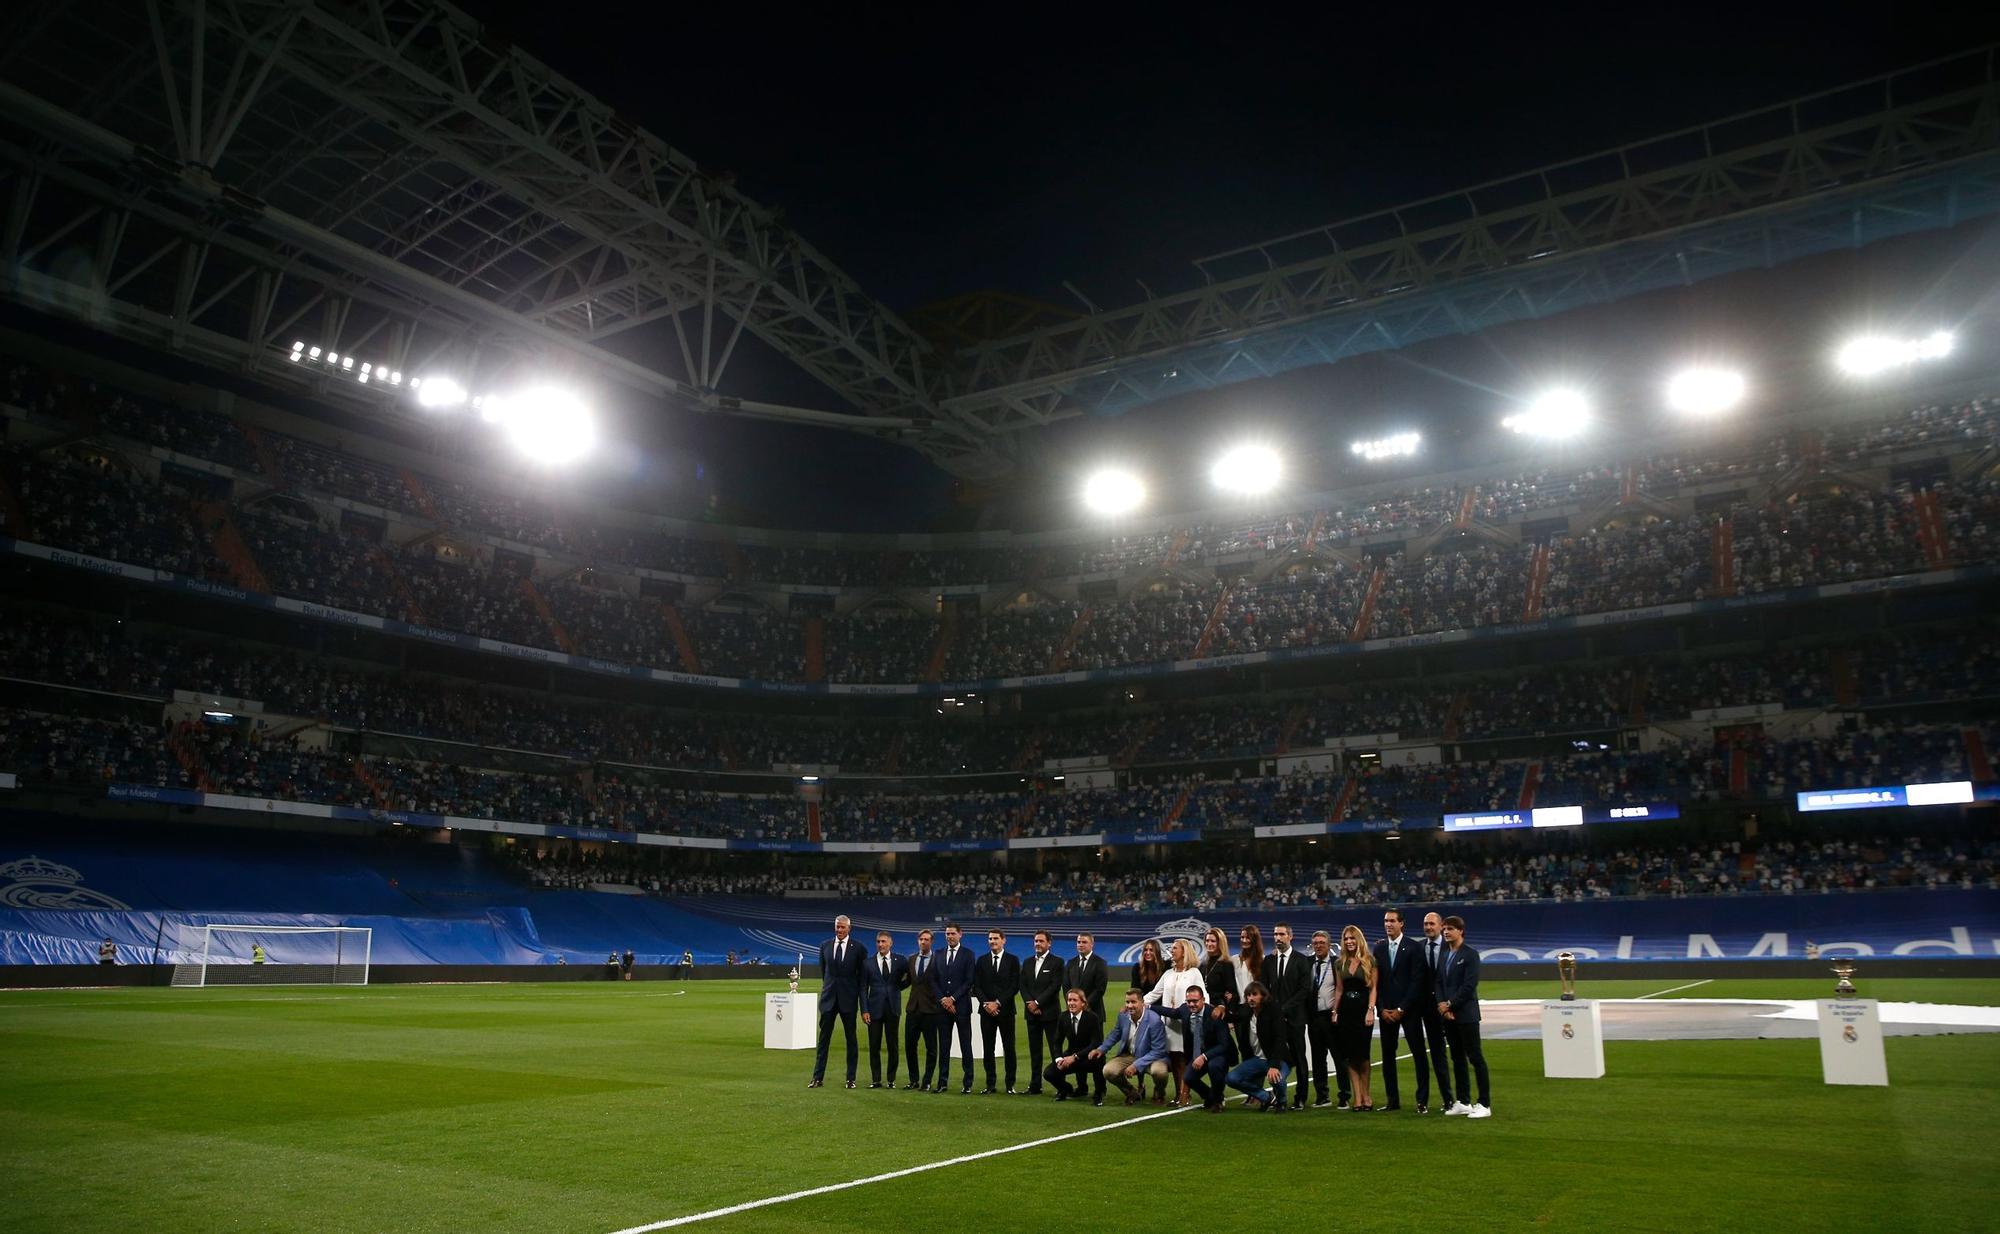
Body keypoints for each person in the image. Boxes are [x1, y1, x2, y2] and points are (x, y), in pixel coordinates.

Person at [1373, 907, 1429, 1112]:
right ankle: (1392, 1100)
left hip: (1409, 1011)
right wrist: (1382, 1008)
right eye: (1386, 921)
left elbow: (1417, 981)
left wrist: (1401, 1008)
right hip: (1386, 1012)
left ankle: (1422, 1100)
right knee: (1388, 1057)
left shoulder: (1414, 947)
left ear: (1401, 923)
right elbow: (1375, 983)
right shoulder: (1378, 948)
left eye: (1392, 921)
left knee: (1419, 1054)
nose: (1388, 924)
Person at [1436, 915, 1491, 1119]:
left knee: (1475, 1057)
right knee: (1457, 1058)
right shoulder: (1444, 954)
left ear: (1461, 931)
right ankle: (1464, 1101)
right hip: (1448, 1015)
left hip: (1466, 1014)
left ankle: (1484, 1103)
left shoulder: (1470, 955)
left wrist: (1450, 1004)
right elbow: (1439, 982)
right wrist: (1442, 1006)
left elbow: (1469, 985)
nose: (1446, 932)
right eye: (1444, 929)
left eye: (1450, 929)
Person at [1154, 983, 1235, 1112]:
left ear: (1203, 1000)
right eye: (1189, 1001)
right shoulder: (1185, 1010)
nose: (1191, 1004)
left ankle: (1217, 1101)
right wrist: (1148, 1007)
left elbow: (1224, 1045)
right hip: (1199, 1053)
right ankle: (1211, 1097)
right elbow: (1172, 1013)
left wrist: (1204, 1056)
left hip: (1217, 1053)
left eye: (1195, 1001)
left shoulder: (1214, 1014)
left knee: (1215, 1067)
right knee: (1189, 1078)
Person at [809, 914, 867, 1090]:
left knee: (851, 1040)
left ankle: (851, 1078)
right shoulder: (825, 946)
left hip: (848, 1000)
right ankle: (817, 1077)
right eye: (837, 927)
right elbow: (824, 973)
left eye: (843, 927)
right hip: (828, 1000)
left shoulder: (859, 948)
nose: (840, 930)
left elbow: (862, 978)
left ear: (849, 928)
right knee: (823, 1040)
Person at [1144, 938, 1204, 1106]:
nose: (1172, 950)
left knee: (1186, 1059)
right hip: (1169, 1025)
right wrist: (1139, 1003)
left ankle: (1186, 1094)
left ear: (1184, 951)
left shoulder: (1194, 973)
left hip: (1188, 1023)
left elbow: (1203, 996)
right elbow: (1155, 994)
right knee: (1176, 1060)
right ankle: (1179, 1093)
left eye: (1175, 948)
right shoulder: (1168, 973)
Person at [1260, 922, 1313, 1110]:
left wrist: (1284, 1008)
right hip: (1274, 1020)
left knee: (1299, 1058)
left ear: (1290, 936)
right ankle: (1277, 1096)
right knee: (1275, 1056)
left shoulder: (1301, 960)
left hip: (1295, 1018)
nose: (1277, 938)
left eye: (1281, 934)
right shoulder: (1269, 960)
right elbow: (1263, 989)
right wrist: (1274, 1011)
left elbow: (1304, 990)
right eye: (1275, 934)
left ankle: (1301, 1097)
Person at [1091, 988, 1171, 1106]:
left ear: (1142, 1002)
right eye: (1127, 1002)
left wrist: (1136, 1065)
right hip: (1130, 1055)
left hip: (1152, 1058)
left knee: (1159, 1072)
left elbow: (1158, 1050)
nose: (1129, 1006)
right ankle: (1132, 1092)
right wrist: (1101, 1049)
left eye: (1133, 1002)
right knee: (1108, 1071)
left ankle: (1159, 1093)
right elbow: (1115, 1034)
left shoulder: (1154, 1020)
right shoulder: (1123, 1016)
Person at [1224, 981, 1294, 1112]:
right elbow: (1231, 1016)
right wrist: (1221, 1008)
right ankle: (1266, 1097)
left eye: (1254, 994)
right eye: (1248, 995)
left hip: (1278, 1059)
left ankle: (1282, 1102)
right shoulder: (1246, 1011)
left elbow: (1280, 1038)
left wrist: (1274, 1065)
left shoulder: (1274, 1010)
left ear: (1263, 996)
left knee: (1276, 1079)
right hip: (1257, 1060)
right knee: (1231, 1078)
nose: (1251, 998)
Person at [1335, 924, 1379, 1110]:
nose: (1349, 942)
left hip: (1363, 1013)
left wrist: (1370, 1010)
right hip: (1345, 1013)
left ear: (1359, 939)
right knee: (1350, 1057)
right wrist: (1334, 1012)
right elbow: (1339, 989)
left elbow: (1373, 988)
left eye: (1352, 938)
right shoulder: (1339, 963)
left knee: (1363, 1056)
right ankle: (1357, 1098)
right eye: (1346, 939)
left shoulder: (1370, 961)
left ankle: (1366, 1094)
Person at [1418, 911, 1458, 1114]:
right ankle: (1434, 1099)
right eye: (1425, 924)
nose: (1428, 927)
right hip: (1426, 1008)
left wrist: (1448, 1003)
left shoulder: (1450, 946)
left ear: (1441, 925)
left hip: (1447, 1007)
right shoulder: (1418, 948)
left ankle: (1454, 1099)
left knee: (1450, 1053)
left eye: (1432, 924)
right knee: (1432, 1054)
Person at [930, 922, 977, 1094]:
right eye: (947, 934)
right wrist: (943, 999)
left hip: (962, 1007)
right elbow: (933, 979)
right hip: (942, 1008)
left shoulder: (968, 955)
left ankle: (968, 1083)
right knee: (944, 1046)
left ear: (960, 934)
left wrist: (953, 998)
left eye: (952, 934)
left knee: (966, 1045)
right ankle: (942, 1082)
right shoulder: (938, 954)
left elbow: (969, 981)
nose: (949, 937)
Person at [1305, 929, 1350, 1109]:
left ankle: (1344, 1096)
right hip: (1313, 1017)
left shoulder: (1337, 963)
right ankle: (1322, 1096)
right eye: (1315, 943)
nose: (1318, 946)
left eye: (1322, 943)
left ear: (1329, 945)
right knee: (1317, 1060)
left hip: (1332, 1018)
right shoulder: (1307, 963)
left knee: (1339, 1058)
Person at [973, 929, 1020, 1094]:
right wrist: (987, 1003)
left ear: (1003, 940)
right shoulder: (981, 960)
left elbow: (1015, 985)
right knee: (988, 1048)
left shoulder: (1013, 960)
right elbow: (976, 986)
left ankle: (1010, 1084)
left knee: (1009, 1048)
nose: (992, 941)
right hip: (986, 1011)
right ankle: (990, 1084)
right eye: (990, 939)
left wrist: (998, 1002)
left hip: (1005, 1010)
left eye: (995, 938)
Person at [1019, 930, 1063, 1096]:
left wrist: (1037, 1003)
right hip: (1031, 1014)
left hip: (1050, 1014)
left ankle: (1060, 1086)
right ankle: (1035, 1085)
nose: (1037, 944)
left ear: (1049, 943)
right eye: (1036, 941)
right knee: (1035, 1052)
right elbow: (1022, 985)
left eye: (1041, 941)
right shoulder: (1028, 962)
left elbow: (1054, 986)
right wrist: (1030, 1003)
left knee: (1055, 1051)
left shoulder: (1057, 962)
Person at [1043, 988, 1106, 1105]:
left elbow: (1095, 1043)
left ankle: (1099, 1094)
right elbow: (1057, 1041)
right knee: (1048, 1073)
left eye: (1075, 1000)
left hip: (1088, 1055)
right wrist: (1058, 1059)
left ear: (1083, 1003)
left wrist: (1075, 1057)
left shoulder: (1092, 1018)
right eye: (1069, 1000)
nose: (1071, 1003)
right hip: (1071, 1055)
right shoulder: (1063, 1017)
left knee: (1099, 1059)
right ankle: (1065, 1089)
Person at [862, 931, 908, 1089]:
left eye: (883, 941)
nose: (880, 944)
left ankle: (891, 1079)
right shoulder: (867, 963)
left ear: (890, 943)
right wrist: (864, 1010)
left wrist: (896, 988)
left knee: (892, 1045)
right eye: (878, 942)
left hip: (893, 1009)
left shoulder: (901, 961)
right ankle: (876, 1080)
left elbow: (910, 977)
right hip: (873, 1010)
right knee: (874, 1045)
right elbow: (862, 989)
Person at [903, 929, 943, 1091]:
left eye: (926, 939)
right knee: (910, 1046)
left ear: (931, 942)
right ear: (917, 941)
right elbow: (907, 981)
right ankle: (914, 1080)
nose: (923, 942)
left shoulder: (938, 960)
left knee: (931, 1048)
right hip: (913, 1009)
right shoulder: (911, 959)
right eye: (921, 939)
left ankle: (927, 1081)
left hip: (931, 1010)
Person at [1232, 925, 1265, 1060]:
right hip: (1240, 1009)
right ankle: (1248, 1078)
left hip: (1257, 1009)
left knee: (1259, 1046)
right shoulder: (1234, 960)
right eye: (1242, 937)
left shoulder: (1262, 960)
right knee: (1243, 1046)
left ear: (1254, 939)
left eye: (1248, 937)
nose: (1244, 940)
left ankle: (1258, 1078)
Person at [1065, 932, 1108, 1026]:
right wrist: (1072, 1004)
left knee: (1094, 1041)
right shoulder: (1070, 963)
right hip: (1074, 1013)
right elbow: (1066, 987)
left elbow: (1100, 989)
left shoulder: (1100, 963)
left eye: (1084, 942)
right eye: (1078, 942)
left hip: (1093, 1012)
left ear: (1092, 944)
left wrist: (1083, 1004)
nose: (1080, 944)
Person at [1199, 927, 1239, 1017]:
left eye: (1213, 941)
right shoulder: (1202, 964)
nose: (1209, 944)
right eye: (1207, 940)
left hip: (1219, 1011)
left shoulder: (1226, 964)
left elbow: (1232, 992)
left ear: (1220, 943)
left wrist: (1224, 1006)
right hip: (1203, 1010)